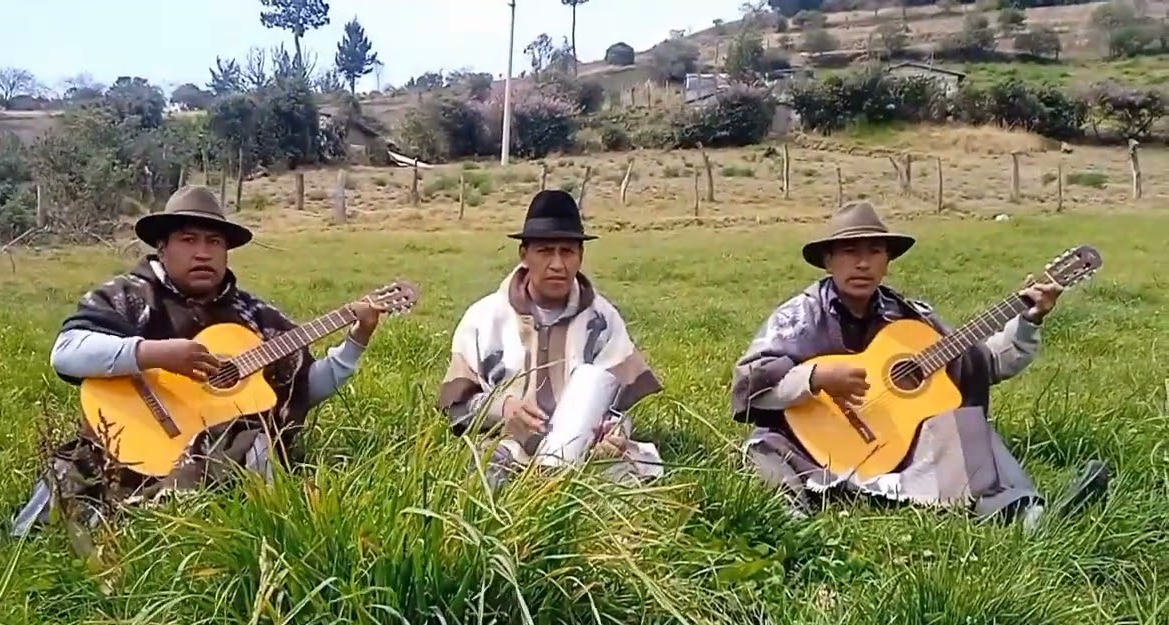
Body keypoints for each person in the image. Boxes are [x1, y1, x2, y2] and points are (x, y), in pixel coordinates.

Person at [0, 185, 387, 544]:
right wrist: (155, 354)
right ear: (162, 248)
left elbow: (304, 387)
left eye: (214, 242)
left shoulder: (255, 317)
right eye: (188, 239)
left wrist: (357, 340)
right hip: (128, 435)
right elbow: (67, 351)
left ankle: (239, 545)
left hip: (211, 457)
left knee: (250, 442)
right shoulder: (130, 295)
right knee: (77, 468)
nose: (203, 252)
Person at [728, 201, 1109, 527]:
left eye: (875, 252)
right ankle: (787, 523)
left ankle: (1027, 514)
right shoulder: (799, 316)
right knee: (765, 452)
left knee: (965, 423)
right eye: (849, 252)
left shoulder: (911, 316)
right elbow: (751, 379)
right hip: (810, 443)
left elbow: (984, 362)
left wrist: (1029, 319)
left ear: (888, 262)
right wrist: (816, 376)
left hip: (898, 449)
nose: (862, 263)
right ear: (828, 261)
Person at [436, 190, 665, 488]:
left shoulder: (602, 320)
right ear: (524, 254)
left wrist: (613, 433)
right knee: (481, 489)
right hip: (506, 447)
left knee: (627, 494)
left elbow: (618, 406)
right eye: (545, 251)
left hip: (587, 452)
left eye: (567, 251)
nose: (557, 264)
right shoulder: (484, 319)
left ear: (580, 257)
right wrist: (503, 409)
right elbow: (457, 405)